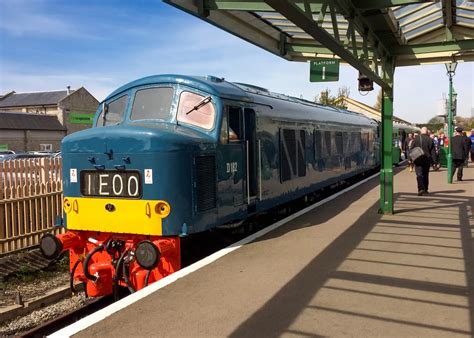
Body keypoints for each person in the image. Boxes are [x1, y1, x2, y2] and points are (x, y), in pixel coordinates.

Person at [410, 127, 435, 195]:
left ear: (421, 132)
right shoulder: (430, 139)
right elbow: (433, 152)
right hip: (427, 159)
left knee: (419, 174)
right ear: (427, 132)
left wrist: (410, 160)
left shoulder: (416, 139)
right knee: (426, 174)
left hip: (417, 159)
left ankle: (420, 189)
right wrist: (434, 162)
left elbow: (411, 150)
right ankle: (426, 189)